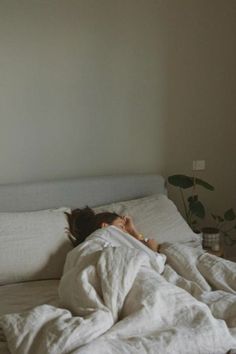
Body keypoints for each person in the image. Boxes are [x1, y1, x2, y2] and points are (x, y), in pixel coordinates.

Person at [66, 207, 161, 252]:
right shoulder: (102, 237)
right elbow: (154, 262)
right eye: (121, 226)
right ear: (105, 226)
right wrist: (153, 249)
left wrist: (133, 232)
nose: (125, 232)